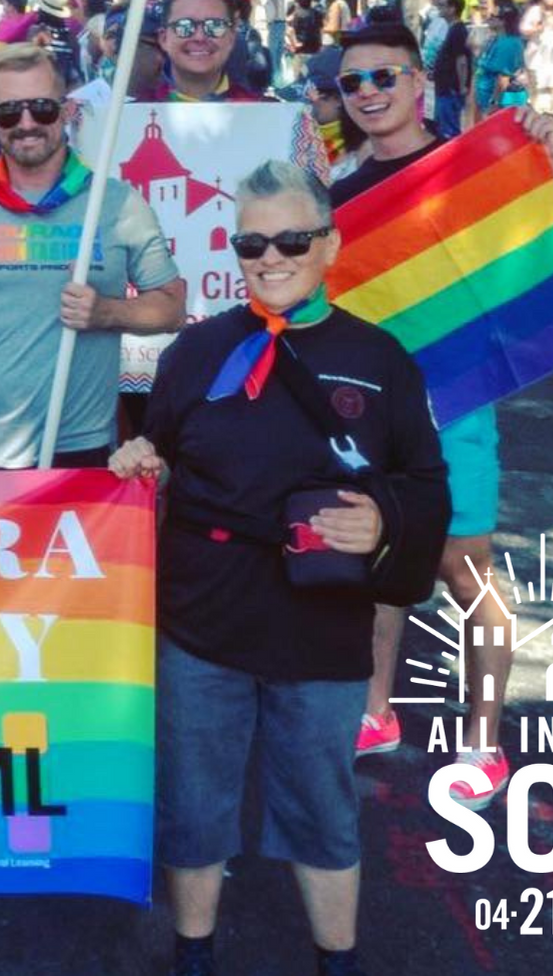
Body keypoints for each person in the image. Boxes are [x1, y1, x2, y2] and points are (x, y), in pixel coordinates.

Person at [112, 160, 449, 976]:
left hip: (322, 625)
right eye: (252, 242)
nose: (271, 257)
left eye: (293, 240)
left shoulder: (380, 358)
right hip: (204, 618)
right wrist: (139, 462)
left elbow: (426, 484)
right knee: (194, 800)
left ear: (329, 245)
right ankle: (195, 954)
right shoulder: (196, 350)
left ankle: (339, 961)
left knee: (321, 804)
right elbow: (160, 451)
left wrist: (384, 520)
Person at [335, 19, 553, 809]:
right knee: (377, 563)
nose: (369, 92)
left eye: (385, 76)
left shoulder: (482, 167)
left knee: (464, 570)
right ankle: (375, 714)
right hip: (369, 417)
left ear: (420, 81)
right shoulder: (337, 193)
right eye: (353, 81)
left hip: (456, 412)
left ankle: (485, 742)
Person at [0, 44, 185, 473]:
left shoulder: (116, 204)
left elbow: (173, 309)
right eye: (9, 113)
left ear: (65, 111)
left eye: (41, 108)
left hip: (81, 451)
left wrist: (107, 312)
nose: (26, 124)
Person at [131, 0, 268, 103]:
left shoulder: (261, 112)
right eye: (184, 26)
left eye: (215, 26)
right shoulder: (129, 115)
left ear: (231, 39)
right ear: (164, 39)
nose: (199, 37)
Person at [428, 0, 472, 138]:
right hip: (443, 87)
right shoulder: (451, 29)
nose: (439, 8)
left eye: (442, 5)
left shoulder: (458, 31)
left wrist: (462, 86)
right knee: (440, 125)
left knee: (449, 130)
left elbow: (462, 61)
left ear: (452, 9)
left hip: (450, 88)